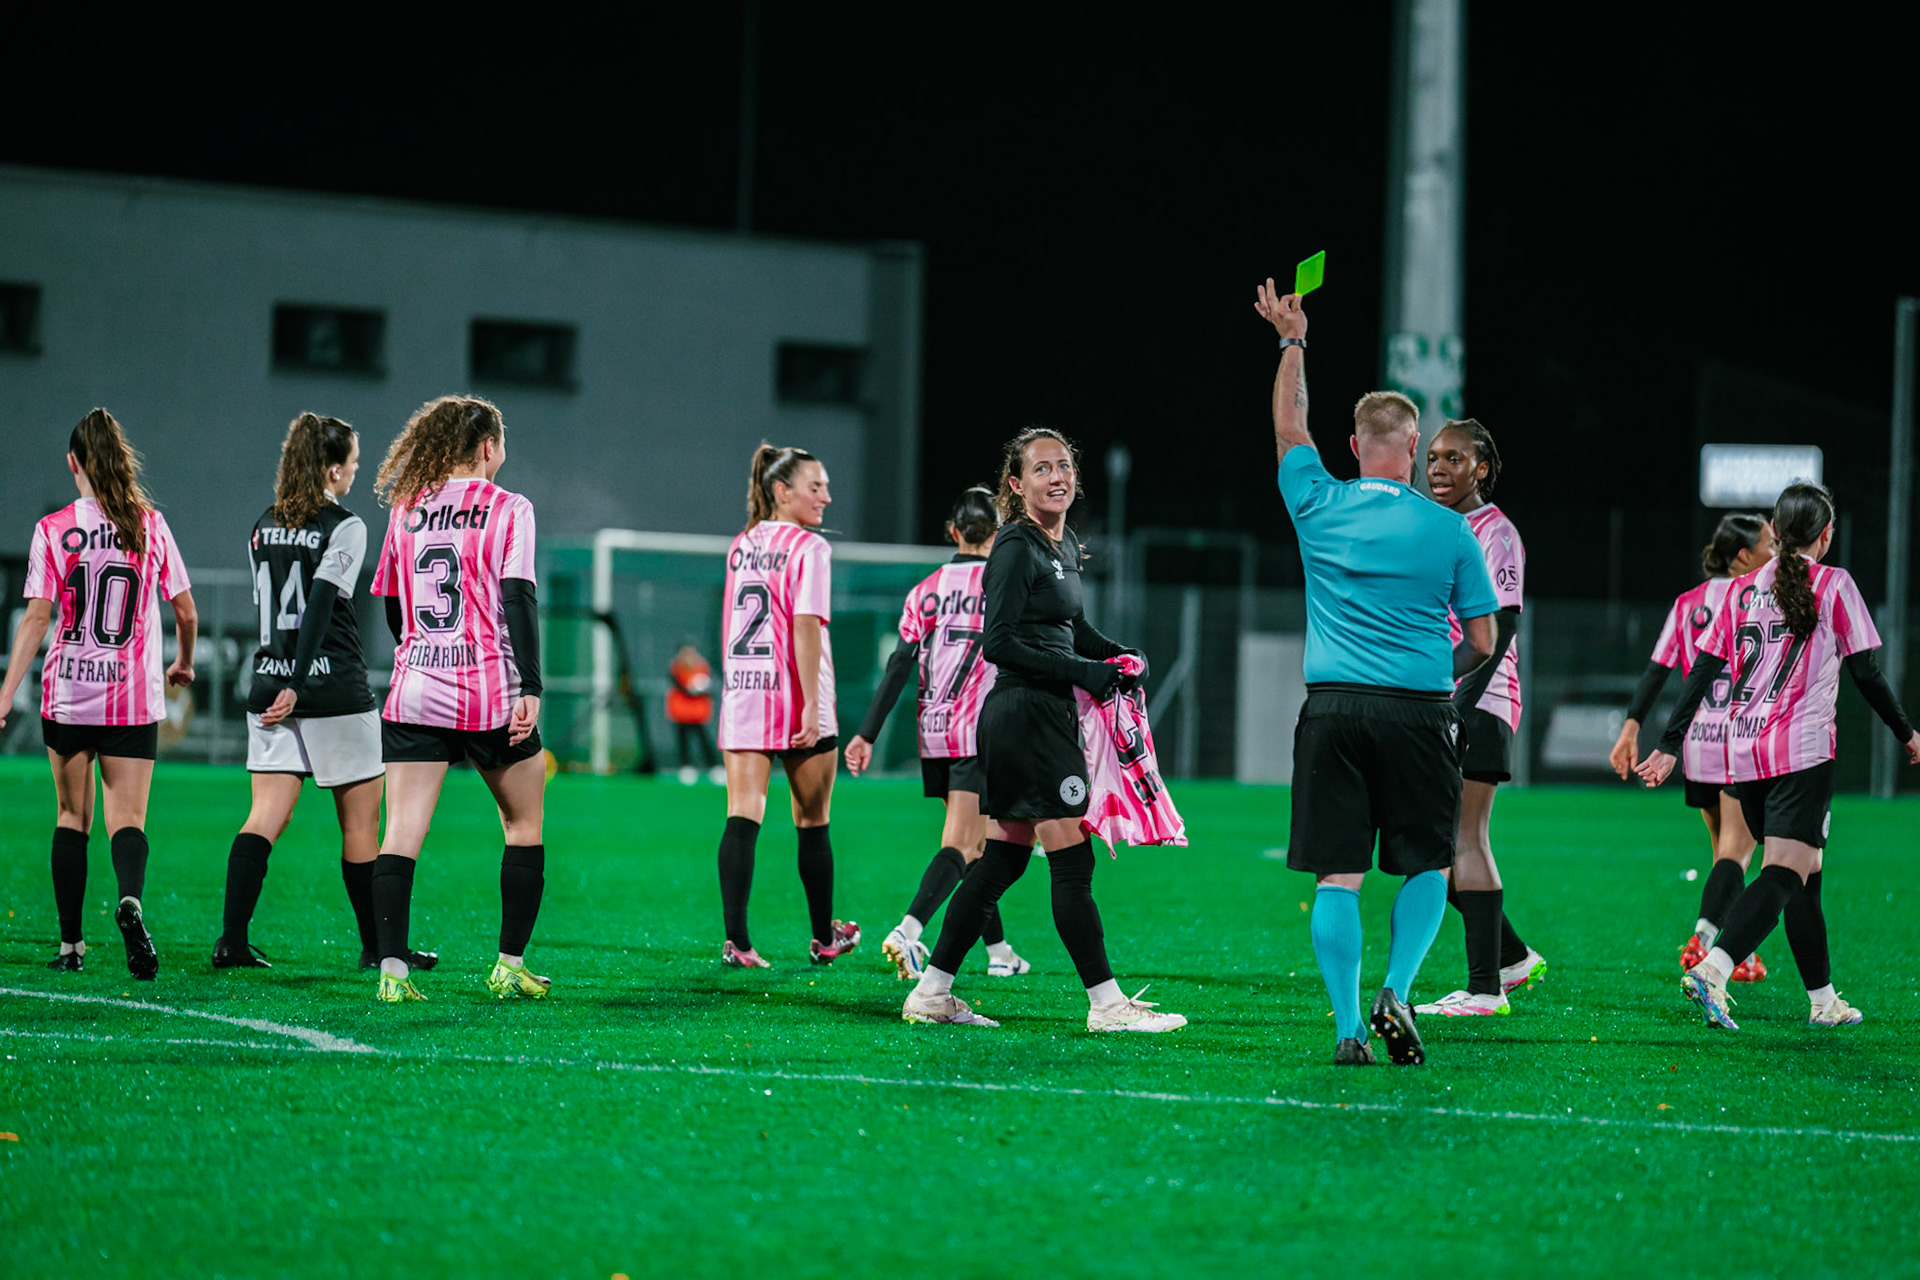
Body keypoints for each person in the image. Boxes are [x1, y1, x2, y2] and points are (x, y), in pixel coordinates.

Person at [1253, 280, 1498, 1066]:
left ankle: (1349, 1028)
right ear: (1418, 447)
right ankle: (1400, 985)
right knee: (1427, 861)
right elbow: (1486, 640)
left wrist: (1294, 340)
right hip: (1420, 712)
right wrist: (1437, 669)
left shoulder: (1317, 500)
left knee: (1338, 875)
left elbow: (1290, 423)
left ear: (1355, 446)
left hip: (1331, 711)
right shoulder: (1451, 529)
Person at [899, 427, 1184, 1033]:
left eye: (1064, 467)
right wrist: (1085, 672)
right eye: (1042, 469)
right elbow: (1000, 643)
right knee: (1072, 864)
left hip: (1039, 715)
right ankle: (1107, 1005)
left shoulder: (1061, 543)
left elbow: (1072, 626)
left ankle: (932, 990)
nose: (1057, 477)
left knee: (1002, 861)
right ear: (1016, 483)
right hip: (1028, 717)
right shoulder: (1014, 547)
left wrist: (1116, 655)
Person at [1638, 482, 1920, 1030]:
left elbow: (1702, 670)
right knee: (1786, 874)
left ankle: (1823, 1000)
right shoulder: (1834, 584)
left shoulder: (1741, 590)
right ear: (1826, 534)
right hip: (1801, 752)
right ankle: (1714, 969)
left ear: (1777, 528)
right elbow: (1866, 673)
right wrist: (1908, 734)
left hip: (1743, 754)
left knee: (1805, 873)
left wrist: (1669, 742)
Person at [212, 412, 434, 973]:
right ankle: (380, 947)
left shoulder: (262, 524)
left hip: (268, 682)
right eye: (354, 464)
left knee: (265, 815)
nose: (356, 473)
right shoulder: (346, 525)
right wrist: (299, 678)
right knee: (360, 825)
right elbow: (318, 604)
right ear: (331, 469)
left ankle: (231, 941)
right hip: (330, 686)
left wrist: (282, 678)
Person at [0, 409, 196, 978]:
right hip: (131, 698)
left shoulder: (54, 529)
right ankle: (130, 900)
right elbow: (185, 609)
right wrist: (182, 662)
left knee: (69, 816)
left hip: (68, 693)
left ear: (73, 463)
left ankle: (70, 946)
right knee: (127, 818)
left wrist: (6, 689)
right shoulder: (148, 525)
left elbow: (37, 617)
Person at [364, 396, 548, 1003]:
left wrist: (421, 651)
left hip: (415, 689)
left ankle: (392, 972)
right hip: (489, 691)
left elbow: (392, 604)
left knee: (401, 832)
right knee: (522, 824)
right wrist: (531, 685)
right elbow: (518, 597)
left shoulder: (406, 507)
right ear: (489, 447)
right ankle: (508, 965)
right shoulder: (509, 508)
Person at [844, 486, 1029, 982]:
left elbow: (899, 663)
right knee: (966, 845)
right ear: (999, 532)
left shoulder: (925, 589)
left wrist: (866, 733)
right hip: (979, 732)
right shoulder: (1004, 584)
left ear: (953, 532)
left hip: (935, 732)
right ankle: (908, 929)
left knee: (976, 846)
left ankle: (1000, 951)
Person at [1413, 420, 1547, 1017]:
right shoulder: (1443, 527)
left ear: (1482, 469)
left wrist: (1458, 709)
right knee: (1428, 842)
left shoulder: (1497, 532)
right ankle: (1511, 957)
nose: (1438, 468)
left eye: (1454, 458)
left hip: (1479, 704)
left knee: (1461, 838)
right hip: (1444, 702)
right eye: (1434, 457)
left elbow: (1504, 627)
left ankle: (1486, 987)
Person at [1609, 513, 1775, 978]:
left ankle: (1741, 952)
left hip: (1697, 744)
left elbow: (1658, 669)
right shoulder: (1761, 596)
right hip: (1742, 738)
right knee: (1735, 855)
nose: (1776, 552)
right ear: (1743, 556)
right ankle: (1704, 940)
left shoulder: (1688, 603)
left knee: (1723, 852)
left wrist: (1630, 727)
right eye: (1769, 544)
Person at [714, 444, 858, 968]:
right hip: (796, 695)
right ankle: (824, 938)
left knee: (742, 813)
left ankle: (738, 941)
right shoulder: (810, 547)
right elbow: (803, 625)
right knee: (813, 819)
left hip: (746, 692)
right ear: (782, 491)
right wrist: (807, 706)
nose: (826, 496)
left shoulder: (742, 543)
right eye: (815, 486)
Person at [667, 642, 722, 783]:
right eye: (686, 653)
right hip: (681, 713)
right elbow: (680, 686)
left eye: (691, 652)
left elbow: (709, 687)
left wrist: (702, 689)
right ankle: (686, 768)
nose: (689, 656)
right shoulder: (676, 668)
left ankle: (715, 768)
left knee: (704, 742)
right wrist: (692, 690)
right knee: (683, 742)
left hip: (697, 714)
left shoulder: (702, 668)